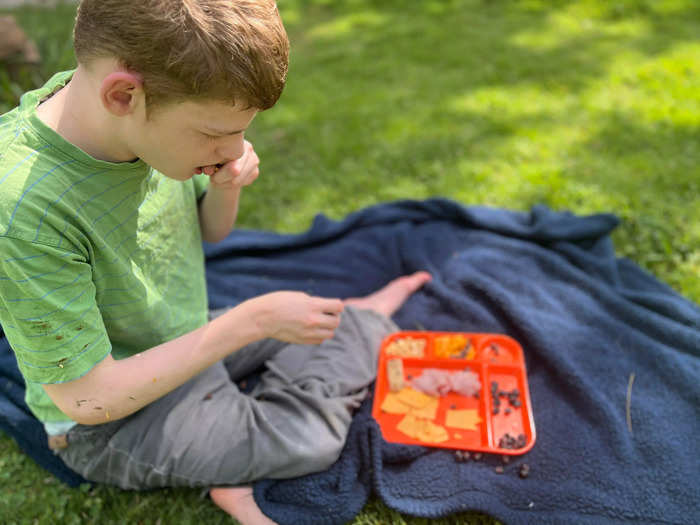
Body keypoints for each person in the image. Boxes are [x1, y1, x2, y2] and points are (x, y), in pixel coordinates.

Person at [0, 1, 431, 523]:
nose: (234, 150)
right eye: (214, 133)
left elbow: (210, 232)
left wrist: (226, 188)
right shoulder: (24, 207)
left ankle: (346, 332)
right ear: (123, 95)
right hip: (109, 426)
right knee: (309, 439)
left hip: (180, 342)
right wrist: (250, 323)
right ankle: (230, 473)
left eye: (240, 132)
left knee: (331, 323)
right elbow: (86, 399)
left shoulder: (128, 114)